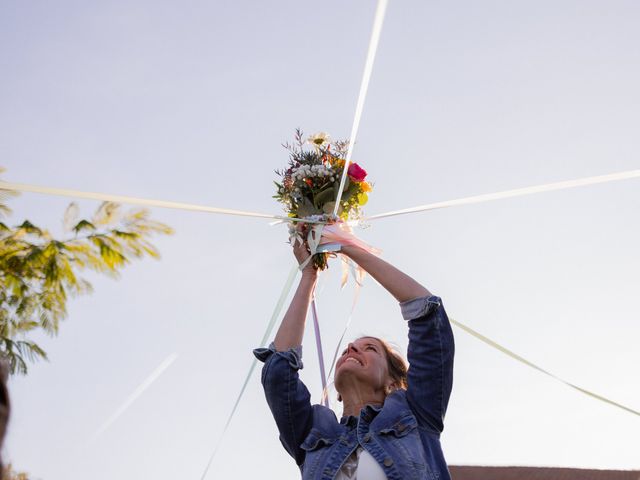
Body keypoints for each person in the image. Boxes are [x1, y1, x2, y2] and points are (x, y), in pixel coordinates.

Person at [254, 238, 455, 480]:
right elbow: (278, 372)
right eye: (347, 349)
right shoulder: (313, 430)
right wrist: (308, 274)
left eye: (369, 348)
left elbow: (428, 315)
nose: (351, 348)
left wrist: (345, 246)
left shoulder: (416, 412)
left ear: (392, 382)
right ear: (337, 392)